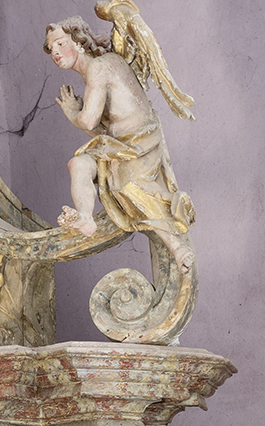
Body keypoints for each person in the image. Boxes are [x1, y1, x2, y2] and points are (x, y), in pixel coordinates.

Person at [45, 16, 196, 273]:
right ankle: (85, 217)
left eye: (60, 43)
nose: (56, 53)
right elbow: (100, 130)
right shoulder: (94, 71)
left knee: (129, 187)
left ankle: (177, 247)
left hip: (139, 142)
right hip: (117, 144)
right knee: (78, 164)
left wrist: (73, 113)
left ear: (79, 39)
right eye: (51, 49)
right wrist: (79, 118)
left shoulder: (99, 67)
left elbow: (89, 120)